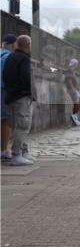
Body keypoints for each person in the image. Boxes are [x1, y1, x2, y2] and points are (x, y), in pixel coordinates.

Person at [3, 35, 35, 166]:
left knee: (17, 126)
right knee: (22, 126)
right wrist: (30, 92)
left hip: (11, 97)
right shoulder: (24, 58)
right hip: (21, 97)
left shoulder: (10, 57)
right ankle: (16, 155)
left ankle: (23, 152)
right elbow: (26, 77)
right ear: (28, 45)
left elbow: (5, 76)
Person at [1, 34, 16, 161]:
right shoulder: (9, 57)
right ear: (12, 44)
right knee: (6, 120)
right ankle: (4, 151)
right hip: (4, 90)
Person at [65, 59, 80, 126]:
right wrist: (73, 89)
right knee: (79, 103)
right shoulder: (69, 71)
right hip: (73, 90)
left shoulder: (72, 71)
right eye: (76, 64)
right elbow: (69, 81)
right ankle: (75, 118)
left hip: (74, 90)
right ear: (75, 64)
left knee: (79, 103)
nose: (77, 65)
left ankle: (75, 118)